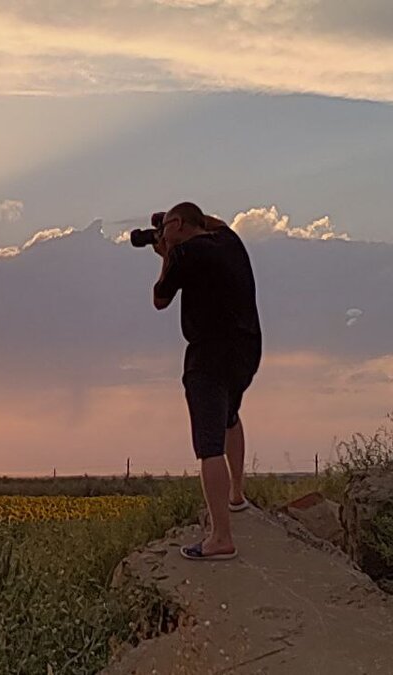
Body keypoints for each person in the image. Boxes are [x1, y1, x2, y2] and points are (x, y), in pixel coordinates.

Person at [151, 201, 262, 561]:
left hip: (208, 354)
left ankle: (220, 538)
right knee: (230, 415)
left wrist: (165, 253)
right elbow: (214, 221)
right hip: (247, 348)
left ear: (180, 224)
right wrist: (168, 225)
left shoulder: (184, 254)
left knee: (208, 445)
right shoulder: (228, 240)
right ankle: (236, 495)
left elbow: (160, 300)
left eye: (168, 226)